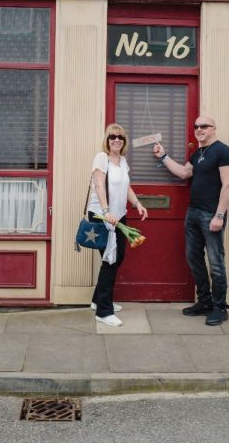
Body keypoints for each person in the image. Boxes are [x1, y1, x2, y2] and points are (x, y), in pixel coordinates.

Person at [153, 115, 229, 326]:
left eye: (204, 126)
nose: (199, 129)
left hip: (211, 215)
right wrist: (163, 157)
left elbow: (228, 185)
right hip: (194, 213)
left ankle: (220, 308)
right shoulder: (198, 152)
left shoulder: (223, 151)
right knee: (193, 258)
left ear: (213, 129)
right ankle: (205, 302)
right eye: (196, 126)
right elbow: (183, 172)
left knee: (216, 263)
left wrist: (219, 215)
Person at [87, 123, 148, 327]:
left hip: (119, 215)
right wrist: (106, 211)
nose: (116, 140)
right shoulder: (101, 158)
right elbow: (98, 184)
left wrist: (137, 203)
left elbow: (126, 186)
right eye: (112, 136)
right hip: (103, 216)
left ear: (124, 141)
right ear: (107, 139)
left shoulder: (122, 161)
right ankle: (104, 312)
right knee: (110, 260)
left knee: (117, 256)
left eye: (120, 137)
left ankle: (98, 300)